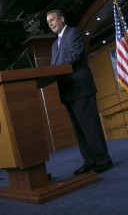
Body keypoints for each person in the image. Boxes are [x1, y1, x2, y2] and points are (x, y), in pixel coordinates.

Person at [46, 9, 113, 175]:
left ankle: (103, 159)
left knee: (90, 127)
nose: (51, 24)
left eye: (52, 20)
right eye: (48, 23)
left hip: (81, 88)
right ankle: (89, 161)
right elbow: (55, 66)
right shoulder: (55, 45)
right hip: (67, 92)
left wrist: (56, 71)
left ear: (61, 19)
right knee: (80, 131)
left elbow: (75, 56)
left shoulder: (73, 32)